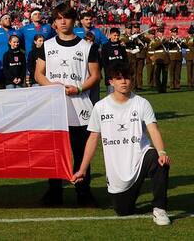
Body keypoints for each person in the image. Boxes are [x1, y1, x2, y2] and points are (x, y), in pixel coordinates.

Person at [72, 63, 171, 226]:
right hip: (119, 175)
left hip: (141, 159)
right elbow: (92, 139)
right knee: (123, 211)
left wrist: (161, 152)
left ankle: (160, 209)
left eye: (126, 78)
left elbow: (153, 129)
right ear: (111, 82)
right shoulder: (100, 107)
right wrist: (82, 169)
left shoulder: (142, 103)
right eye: (118, 78)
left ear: (132, 80)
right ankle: (126, 196)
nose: (123, 82)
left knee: (159, 161)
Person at [34, 3, 100, 207]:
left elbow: (96, 76)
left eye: (67, 17)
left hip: (80, 108)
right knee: (54, 151)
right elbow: (38, 73)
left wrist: (78, 89)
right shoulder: (47, 45)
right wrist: (53, 86)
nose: (63, 21)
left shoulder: (87, 46)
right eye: (59, 18)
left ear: (74, 20)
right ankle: (54, 191)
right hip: (54, 107)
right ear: (54, 22)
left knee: (81, 152)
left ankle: (83, 191)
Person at [0, 13, 22, 89]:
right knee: (0, 90)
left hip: (15, 67)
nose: (8, 20)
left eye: (9, 18)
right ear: (0, 22)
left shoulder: (18, 33)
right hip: (0, 67)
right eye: (5, 18)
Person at [102, 28, 129, 94]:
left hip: (121, 75)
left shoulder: (121, 46)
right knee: (111, 96)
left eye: (117, 35)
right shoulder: (105, 46)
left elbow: (125, 60)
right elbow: (105, 62)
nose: (116, 37)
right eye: (114, 35)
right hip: (111, 75)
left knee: (122, 95)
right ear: (110, 35)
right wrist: (108, 75)